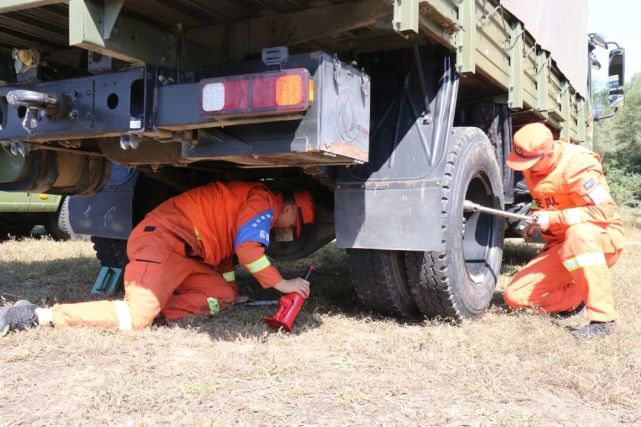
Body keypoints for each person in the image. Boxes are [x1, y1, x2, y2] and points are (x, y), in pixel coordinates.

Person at [0, 181, 315, 334]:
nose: (287, 230)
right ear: (289, 209)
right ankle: (38, 316)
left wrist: (234, 290)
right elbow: (248, 252)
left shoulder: (251, 202)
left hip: (183, 251)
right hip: (162, 241)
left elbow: (223, 257)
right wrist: (282, 283)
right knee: (133, 320)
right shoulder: (265, 201)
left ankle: (158, 308)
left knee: (222, 295)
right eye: (293, 224)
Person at [502, 123, 625, 339]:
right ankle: (575, 299)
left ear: (548, 153)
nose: (526, 169)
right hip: (561, 245)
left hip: (598, 239)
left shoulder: (578, 166)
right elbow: (543, 200)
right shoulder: (533, 169)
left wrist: (554, 218)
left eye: (531, 162)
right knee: (515, 296)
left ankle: (603, 320)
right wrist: (533, 222)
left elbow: (605, 212)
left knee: (580, 235)